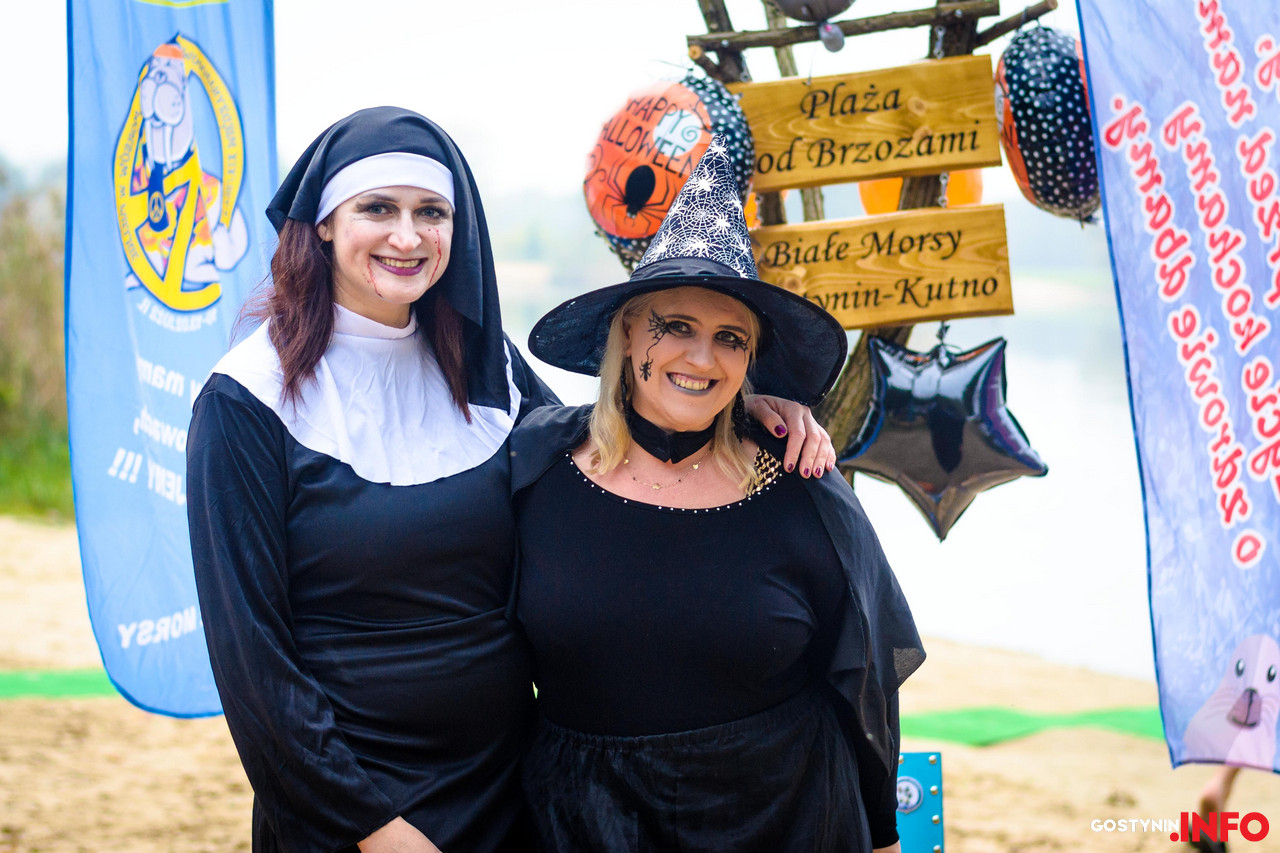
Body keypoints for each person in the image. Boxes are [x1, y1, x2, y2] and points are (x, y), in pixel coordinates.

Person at [185, 107, 836, 853]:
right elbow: (252, 659)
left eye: (431, 212)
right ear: (325, 223)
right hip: (353, 803)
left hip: (509, 790)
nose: (407, 236)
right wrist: (370, 828)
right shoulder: (247, 400)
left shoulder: (484, 366)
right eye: (379, 209)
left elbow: (610, 450)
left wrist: (739, 406)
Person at [509, 138, 925, 852]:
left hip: (785, 819)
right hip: (583, 824)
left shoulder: (800, 484)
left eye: (730, 338)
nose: (702, 359)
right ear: (627, 332)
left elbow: (867, 680)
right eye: (677, 327)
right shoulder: (534, 471)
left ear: (750, 357)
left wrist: (884, 836)